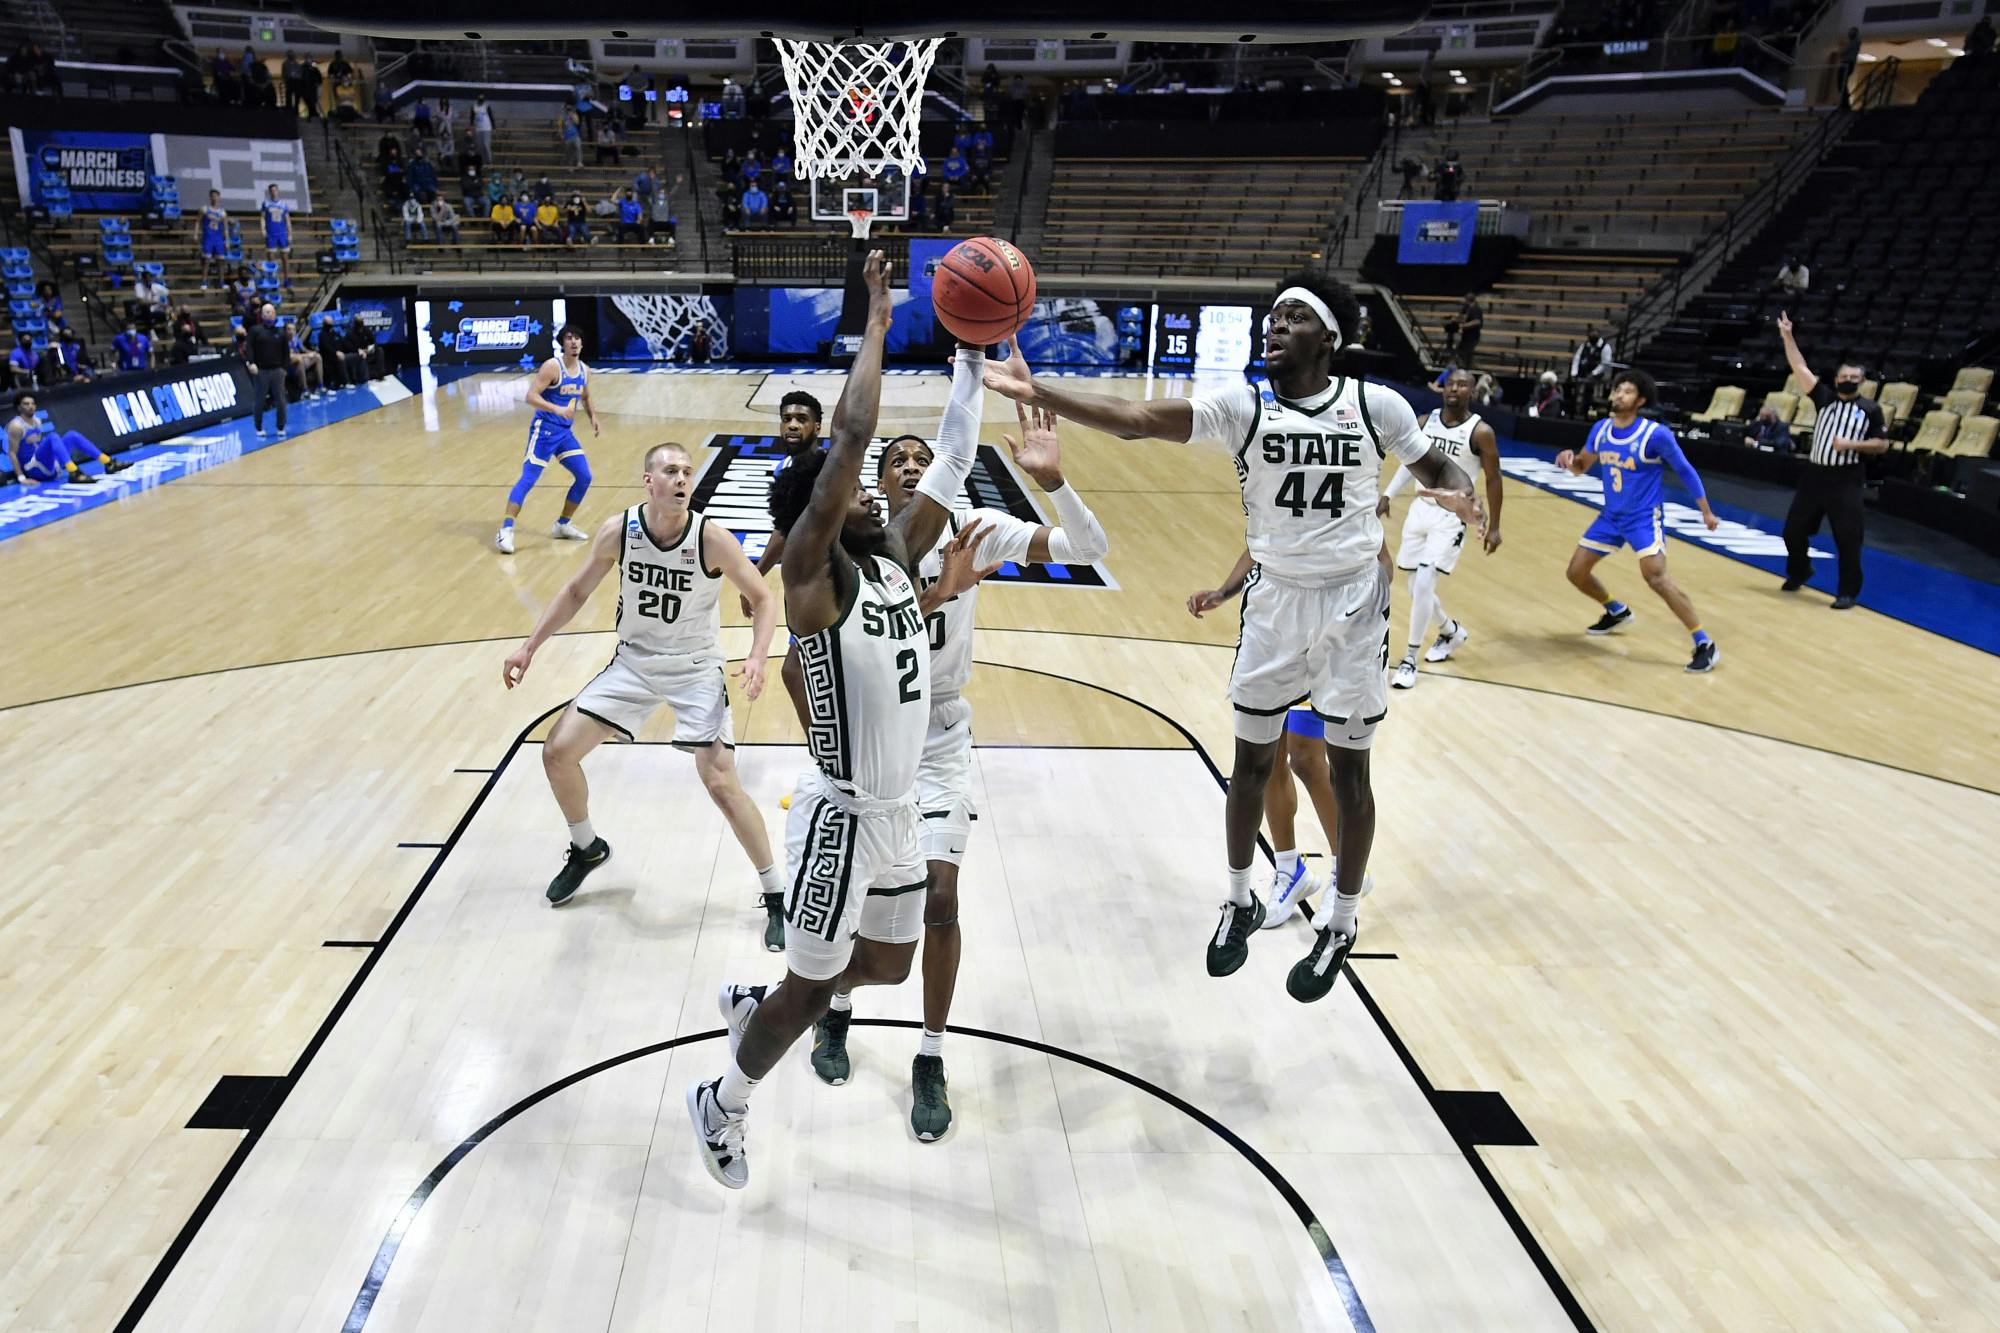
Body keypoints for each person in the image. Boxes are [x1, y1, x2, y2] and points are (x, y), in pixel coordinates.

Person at [980, 271, 1480, 999]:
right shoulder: (1242, 405)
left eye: (1291, 318)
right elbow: (1135, 418)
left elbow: (1437, 463)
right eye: (1269, 317)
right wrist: (1039, 391)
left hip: (1351, 604)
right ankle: (1241, 895)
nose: (1272, 327)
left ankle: (1340, 920)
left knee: (1348, 770)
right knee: (1251, 760)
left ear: (1329, 338)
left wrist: (1457, 489)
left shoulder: (1376, 406)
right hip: (1274, 597)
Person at [685, 252, 978, 1189]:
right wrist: (881, 319)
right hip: (843, 817)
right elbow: (851, 433)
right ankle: (723, 1102)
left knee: (887, 964)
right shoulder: (817, 577)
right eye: (845, 488)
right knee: (814, 985)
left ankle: (754, 1001)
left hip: (899, 810)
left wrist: (973, 355)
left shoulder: (892, 552)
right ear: (817, 510)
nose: (866, 490)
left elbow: (955, 459)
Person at [824, 405, 1109, 1139]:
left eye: (925, 456)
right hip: (874, 730)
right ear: (878, 482)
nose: (914, 465)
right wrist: (940, 593)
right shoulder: (854, 541)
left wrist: (1057, 481)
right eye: (898, 460)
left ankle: (930, 1053)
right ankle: (836, 1003)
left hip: (942, 730)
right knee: (862, 895)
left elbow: (1089, 543)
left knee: (940, 895)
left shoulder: (975, 526)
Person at [501, 442, 782, 905]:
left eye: (688, 472)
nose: (682, 480)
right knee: (557, 753)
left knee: (721, 784)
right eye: (671, 471)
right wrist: (530, 646)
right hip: (634, 663)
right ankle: (587, 847)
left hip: (695, 668)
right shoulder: (619, 532)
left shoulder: (710, 537)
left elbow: (765, 598)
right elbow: (575, 592)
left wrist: (756, 655)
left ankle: (774, 892)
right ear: (648, 481)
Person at [1188, 554, 1378, 928]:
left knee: (1306, 758)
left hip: (1323, 623)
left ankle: (1347, 872)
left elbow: (1377, 558)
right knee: (1267, 758)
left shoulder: (1347, 508)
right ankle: (1290, 868)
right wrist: (1225, 590)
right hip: (1272, 621)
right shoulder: (1274, 499)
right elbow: (1260, 537)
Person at [1554, 368, 1721, 671]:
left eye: (1627, 391)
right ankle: (1616, 610)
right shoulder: (1601, 429)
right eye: (1617, 389)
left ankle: (1704, 642)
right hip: (1611, 516)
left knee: (1655, 577)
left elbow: (1685, 470)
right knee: (1575, 573)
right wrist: (1568, 461)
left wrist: (1705, 510)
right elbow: (1581, 466)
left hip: (1643, 517)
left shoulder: (1655, 435)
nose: (1619, 394)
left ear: (1640, 400)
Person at [1379, 366, 1503, 690]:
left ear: (1471, 392)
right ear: (1443, 388)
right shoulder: (1424, 422)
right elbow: (1411, 463)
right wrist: (1388, 494)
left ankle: (1409, 659)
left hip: (1451, 518)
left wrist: (1495, 526)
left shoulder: (1480, 432)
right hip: (1420, 511)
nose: (1455, 389)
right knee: (1415, 588)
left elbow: (1493, 478)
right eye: (1451, 383)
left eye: (1463, 385)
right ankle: (1450, 631)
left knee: (1423, 586)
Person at [1775, 312, 1887, 608]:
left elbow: (1882, 444)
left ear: (1862, 381)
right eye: (1844, 376)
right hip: (1814, 476)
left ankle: (1848, 591)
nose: (1848, 381)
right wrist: (1788, 336)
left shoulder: (1870, 410)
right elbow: (1799, 366)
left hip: (1846, 480)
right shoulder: (1823, 398)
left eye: (1854, 378)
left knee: (1848, 538)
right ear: (1836, 379)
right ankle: (1800, 571)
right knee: (1792, 531)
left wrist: (1852, 444)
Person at [496, 325, 600, 553]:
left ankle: (562, 525)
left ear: (582, 343)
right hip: (543, 431)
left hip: (564, 433)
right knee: (528, 478)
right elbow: (530, 396)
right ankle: (505, 530)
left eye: (577, 338)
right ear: (562, 343)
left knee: (584, 476)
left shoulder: (585, 370)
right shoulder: (553, 367)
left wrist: (594, 417)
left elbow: (585, 395)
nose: (573, 342)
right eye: (569, 338)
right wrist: (555, 409)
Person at [742, 390, 825, 603]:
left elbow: (783, 532)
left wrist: (755, 576)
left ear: (817, 428)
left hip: (829, 574)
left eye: (802, 419)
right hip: (802, 573)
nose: (793, 425)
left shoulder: (830, 469)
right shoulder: (784, 467)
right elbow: (784, 527)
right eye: (786, 419)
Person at [7, 392, 130, 484]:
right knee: (52, 437)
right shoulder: (16, 426)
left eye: (33, 403)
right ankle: (73, 472)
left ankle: (108, 462)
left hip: (48, 465)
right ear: (19, 407)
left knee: (72, 435)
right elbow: (12, 453)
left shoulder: (37, 421)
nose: (31, 406)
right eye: (26, 404)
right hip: (33, 469)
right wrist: (22, 478)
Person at [243, 303, 291, 438]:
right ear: (262, 315)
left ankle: (281, 426)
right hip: (261, 371)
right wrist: (251, 363)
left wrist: (284, 369)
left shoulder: (281, 332)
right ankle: (258, 427)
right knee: (259, 400)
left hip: (277, 370)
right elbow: (249, 348)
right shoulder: (255, 331)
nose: (268, 314)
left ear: (275, 313)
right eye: (266, 312)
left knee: (281, 400)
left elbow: (286, 352)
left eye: (270, 311)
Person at [259, 184, 293, 289]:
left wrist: (290, 233)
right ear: (269, 192)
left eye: (275, 190)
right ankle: (272, 280)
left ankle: (287, 280)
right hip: (271, 234)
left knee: (285, 258)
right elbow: (262, 218)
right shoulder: (266, 204)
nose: (274, 192)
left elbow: (287, 220)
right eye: (272, 190)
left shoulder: (283, 205)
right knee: (271, 259)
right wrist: (263, 229)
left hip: (282, 234)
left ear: (278, 191)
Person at [196, 189, 229, 289]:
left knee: (221, 262)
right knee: (206, 261)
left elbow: (225, 227)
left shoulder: (222, 212)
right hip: (208, 238)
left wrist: (227, 240)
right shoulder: (205, 209)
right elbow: (198, 221)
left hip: (218, 238)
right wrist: (195, 234)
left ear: (219, 198)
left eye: (216, 196)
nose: (215, 198)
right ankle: (204, 282)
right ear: (210, 198)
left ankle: (221, 282)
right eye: (213, 196)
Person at [1443, 292, 1482, 366]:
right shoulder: (1468, 309)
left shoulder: (1475, 309)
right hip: (1466, 337)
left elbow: (1477, 322)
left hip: (1472, 337)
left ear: (1468, 300)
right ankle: (1466, 368)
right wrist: (1455, 319)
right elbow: (1465, 319)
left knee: (1462, 354)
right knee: (1463, 355)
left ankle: (1465, 370)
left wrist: (1462, 326)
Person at [471, 93, 494, 164]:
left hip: (487, 128)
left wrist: (494, 126)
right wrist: (471, 125)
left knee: (486, 144)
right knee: (479, 145)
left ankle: (489, 161)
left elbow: (491, 116)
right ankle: (480, 160)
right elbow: (472, 116)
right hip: (478, 128)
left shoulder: (487, 106)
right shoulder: (474, 106)